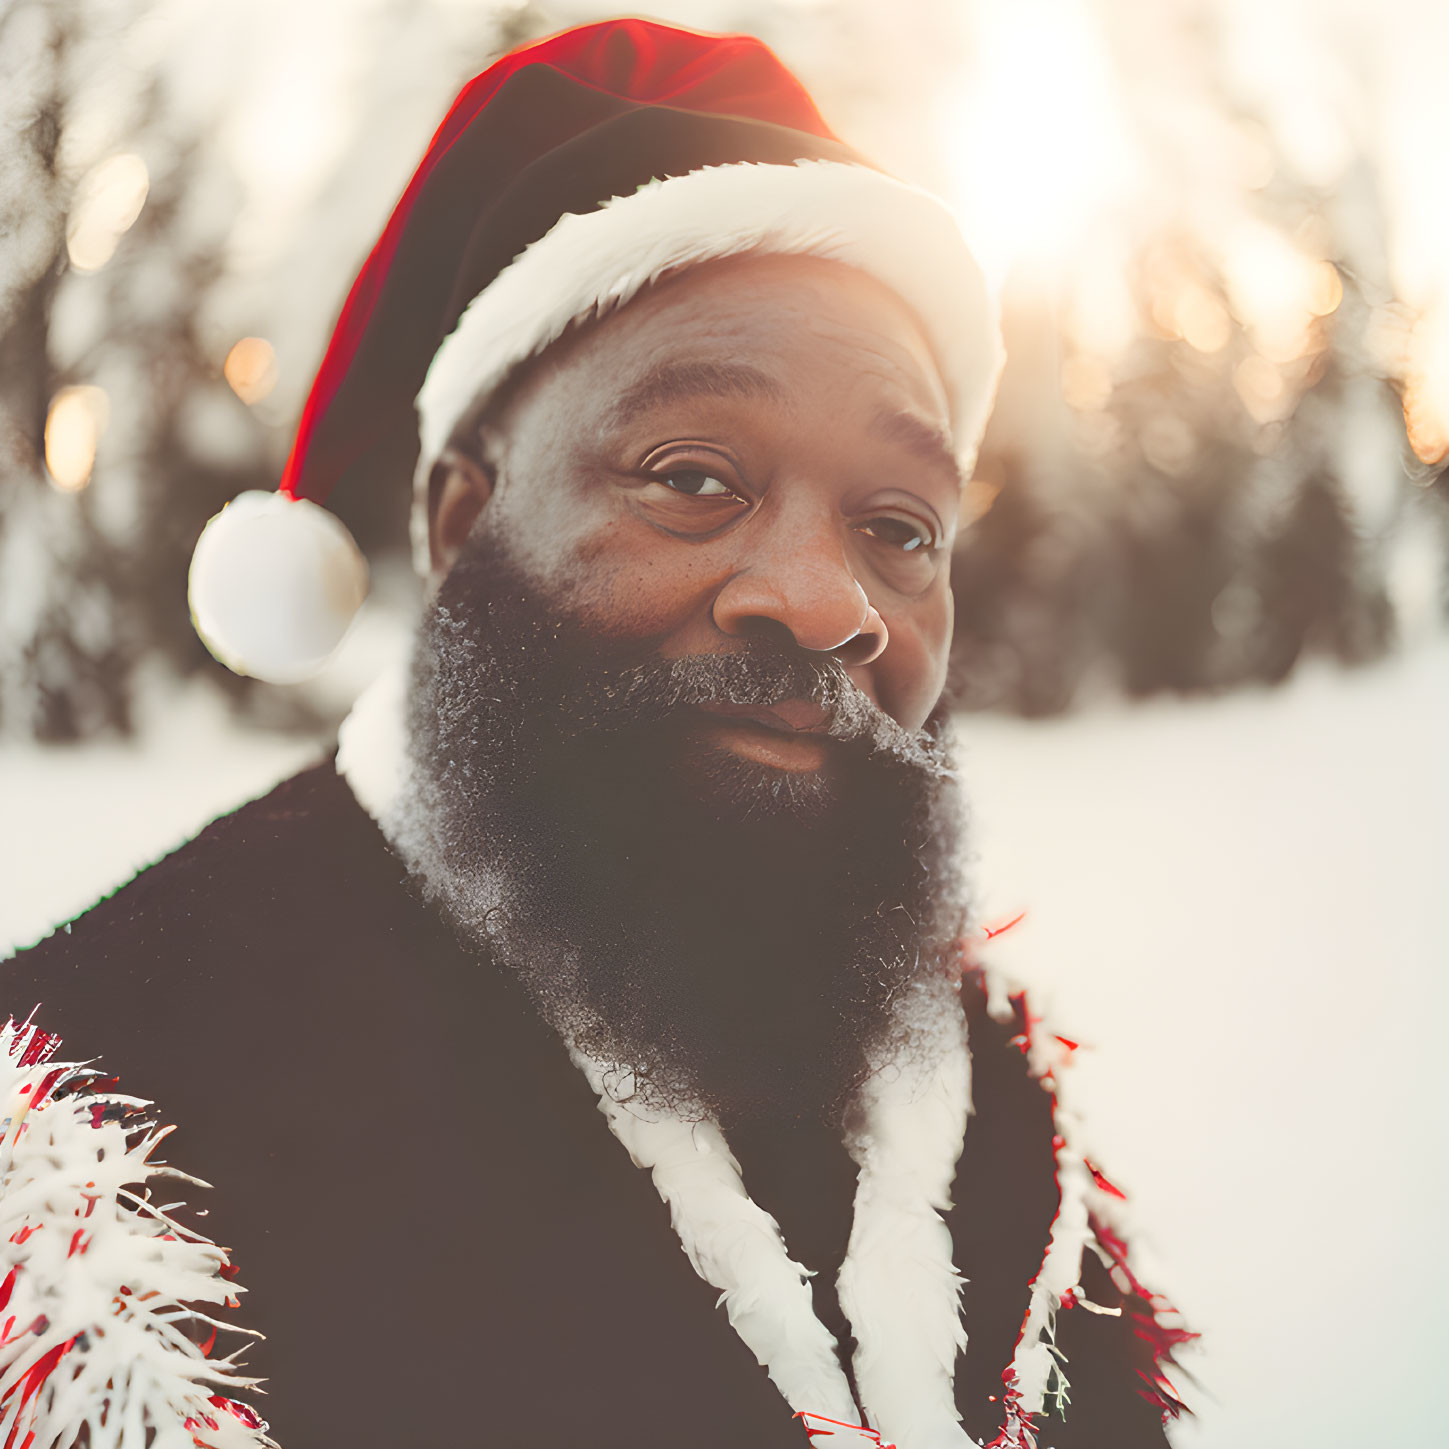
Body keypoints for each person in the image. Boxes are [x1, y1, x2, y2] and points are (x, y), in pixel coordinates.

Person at [0, 19, 1190, 1449]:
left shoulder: (976, 1079)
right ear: (460, 521)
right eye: (693, 476)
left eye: (897, 527)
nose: (828, 606)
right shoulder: (90, 1144)